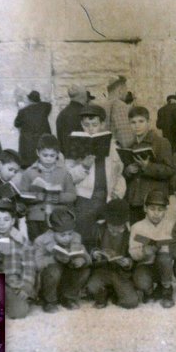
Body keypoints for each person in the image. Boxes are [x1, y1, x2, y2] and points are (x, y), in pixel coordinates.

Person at [65, 104, 126, 249]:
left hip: (107, 197)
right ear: (81, 124)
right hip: (84, 199)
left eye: (95, 124)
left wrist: (119, 192)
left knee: (105, 237)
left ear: (103, 124)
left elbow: (119, 174)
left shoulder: (113, 147)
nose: (91, 129)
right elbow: (68, 178)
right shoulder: (74, 146)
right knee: (84, 235)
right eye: (86, 125)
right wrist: (84, 166)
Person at [19, 134, 76, 242]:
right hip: (35, 218)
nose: (48, 159)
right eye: (45, 155)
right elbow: (22, 194)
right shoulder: (29, 172)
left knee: (55, 247)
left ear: (57, 155)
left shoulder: (64, 172)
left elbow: (72, 195)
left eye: (52, 155)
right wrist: (37, 196)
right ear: (38, 153)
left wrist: (59, 198)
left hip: (58, 218)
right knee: (37, 245)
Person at [123, 106, 175, 224]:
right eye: (133, 122)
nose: (137, 125)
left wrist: (147, 166)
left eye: (141, 121)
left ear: (148, 122)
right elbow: (124, 176)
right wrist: (128, 171)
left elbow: (169, 170)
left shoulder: (161, 142)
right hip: (134, 200)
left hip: (155, 202)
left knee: (154, 237)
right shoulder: (129, 146)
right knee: (137, 237)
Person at [34, 208, 91, 312]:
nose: (67, 238)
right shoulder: (41, 240)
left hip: (67, 278)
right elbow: (37, 264)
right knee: (54, 271)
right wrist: (54, 259)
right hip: (49, 280)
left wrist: (82, 260)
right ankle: (50, 301)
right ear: (52, 231)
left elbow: (88, 258)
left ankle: (68, 297)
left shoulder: (76, 238)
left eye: (70, 234)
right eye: (62, 235)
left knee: (85, 270)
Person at [86, 199, 140, 310]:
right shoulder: (98, 229)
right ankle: (106, 291)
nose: (115, 231)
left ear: (125, 222)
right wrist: (94, 253)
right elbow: (89, 246)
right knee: (91, 288)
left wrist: (128, 262)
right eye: (111, 227)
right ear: (107, 221)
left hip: (120, 274)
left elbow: (138, 253)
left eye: (119, 228)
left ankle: (114, 292)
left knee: (131, 302)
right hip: (102, 270)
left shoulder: (133, 231)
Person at [128, 190, 176, 308]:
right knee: (141, 282)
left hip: (164, 265)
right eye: (152, 209)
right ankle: (149, 291)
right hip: (145, 264)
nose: (156, 213)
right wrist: (143, 252)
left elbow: (175, 247)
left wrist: (164, 248)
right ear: (145, 208)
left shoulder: (170, 225)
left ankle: (166, 289)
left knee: (164, 258)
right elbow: (133, 252)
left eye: (160, 210)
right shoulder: (137, 227)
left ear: (165, 211)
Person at [91, 75, 134, 148]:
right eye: (126, 90)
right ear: (120, 90)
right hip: (116, 154)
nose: (126, 93)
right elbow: (126, 140)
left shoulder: (101, 106)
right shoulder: (120, 106)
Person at [14, 90, 52, 169]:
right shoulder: (45, 108)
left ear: (29, 100)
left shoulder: (23, 111)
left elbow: (16, 124)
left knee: (28, 168)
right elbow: (48, 104)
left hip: (28, 148)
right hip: (42, 145)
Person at [56, 84, 89, 158]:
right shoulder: (85, 113)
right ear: (83, 96)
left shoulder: (62, 114)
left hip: (67, 159)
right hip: (83, 159)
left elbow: (60, 141)